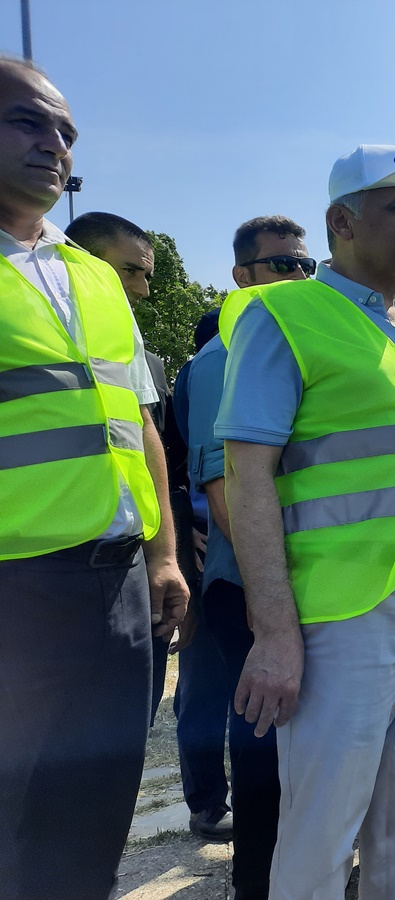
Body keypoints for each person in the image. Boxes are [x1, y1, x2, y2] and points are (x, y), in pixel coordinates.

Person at [214, 144, 395, 897]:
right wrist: (274, 631)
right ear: (341, 222)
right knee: (323, 827)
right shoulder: (284, 314)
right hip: (343, 615)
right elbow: (247, 477)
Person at [0, 57, 188, 898]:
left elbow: (138, 427)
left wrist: (163, 555)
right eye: (28, 122)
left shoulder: (94, 278)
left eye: (66, 132)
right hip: (14, 590)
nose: (54, 144)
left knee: (92, 814)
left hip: (114, 588)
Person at [65, 211, 233, 840]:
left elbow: (160, 454)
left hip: (141, 556)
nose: (140, 288)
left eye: (145, 273)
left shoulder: (142, 357)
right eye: (130, 270)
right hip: (44, 566)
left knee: (134, 710)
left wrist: (170, 548)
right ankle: (204, 801)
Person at [180, 214, 313, 896]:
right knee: (263, 742)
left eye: (304, 266)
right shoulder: (221, 357)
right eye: (280, 265)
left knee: (300, 745)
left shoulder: (288, 344)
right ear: (242, 275)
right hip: (249, 585)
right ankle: (256, 882)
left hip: (299, 579)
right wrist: (274, 601)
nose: (296, 277)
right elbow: (223, 484)